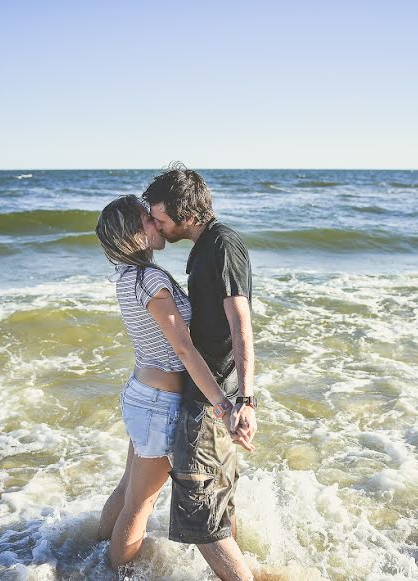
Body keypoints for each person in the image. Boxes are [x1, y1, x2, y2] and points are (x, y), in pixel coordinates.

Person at [94, 195, 253, 569]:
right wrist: (223, 403)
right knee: (140, 502)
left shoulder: (128, 277)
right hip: (158, 404)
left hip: (144, 394)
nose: (156, 221)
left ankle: (89, 556)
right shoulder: (150, 280)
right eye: (148, 219)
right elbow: (184, 349)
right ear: (136, 233)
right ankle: (116, 572)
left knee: (128, 490)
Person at [143, 164, 259, 581]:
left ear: (186, 214)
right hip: (218, 398)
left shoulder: (221, 246)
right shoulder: (208, 246)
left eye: (160, 217)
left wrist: (244, 401)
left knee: (200, 513)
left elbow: (240, 324)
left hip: (216, 399)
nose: (155, 224)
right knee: (219, 504)